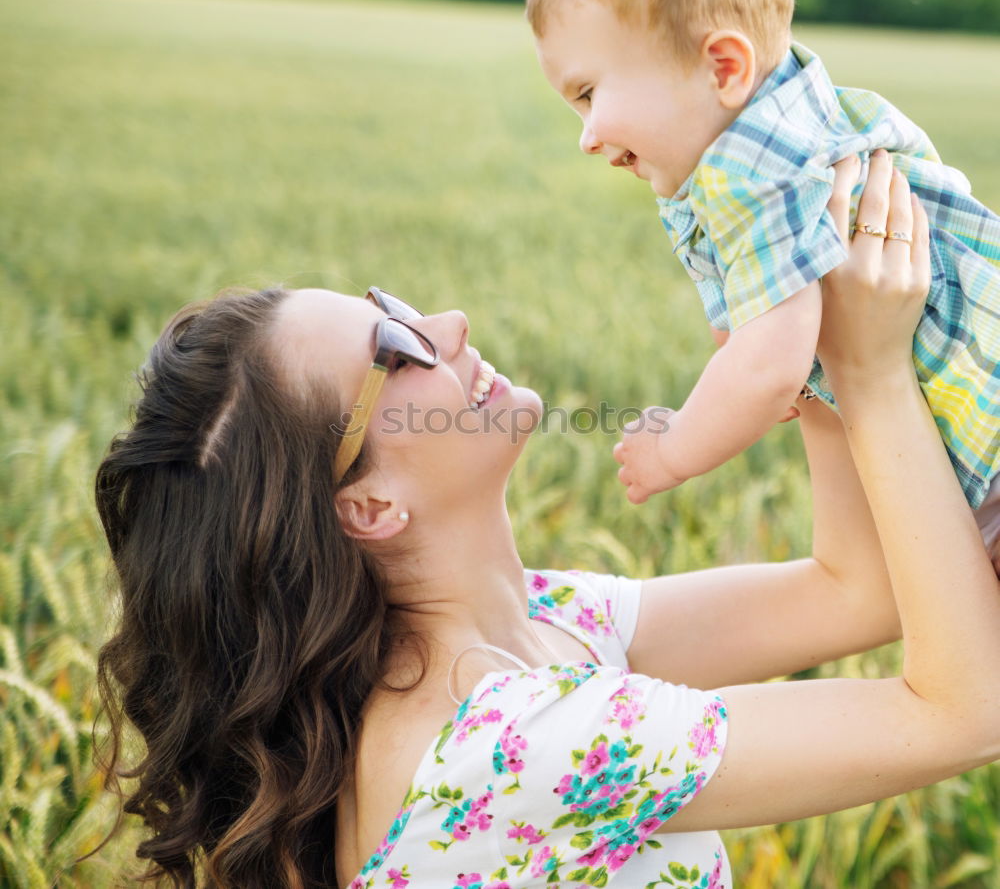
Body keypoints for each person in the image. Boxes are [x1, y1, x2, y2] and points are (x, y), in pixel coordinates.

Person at [93, 159, 1000, 889]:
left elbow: (853, 594)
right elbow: (966, 715)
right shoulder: (513, 747)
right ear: (368, 507)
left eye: (393, 308)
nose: (446, 323)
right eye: (397, 351)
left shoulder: (540, 619)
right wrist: (876, 376)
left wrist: (815, 362)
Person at [526, 0, 1000, 538]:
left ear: (724, 68)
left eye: (591, 94)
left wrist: (671, 451)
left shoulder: (750, 172)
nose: (588, 137)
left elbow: (769, 368)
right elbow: (759, 311)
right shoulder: (797, 121)